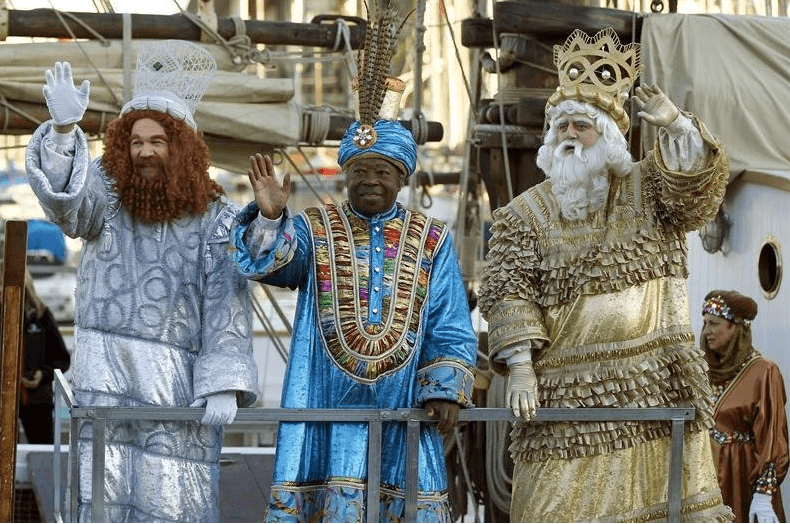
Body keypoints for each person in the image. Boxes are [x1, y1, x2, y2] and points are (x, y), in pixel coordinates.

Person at [229, 8, 477, 519]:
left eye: (382, 171)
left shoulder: (431, 239)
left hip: (405, 411)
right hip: (323, 408)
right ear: (344, 175)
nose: (370, 180)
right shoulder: (315, 229)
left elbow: (450, 324)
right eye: (360, 170)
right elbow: (270, 265)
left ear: (402, 178)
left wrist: (446, 387)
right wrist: (272, 218)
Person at [478, 27, 734, 522]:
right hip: (563, 402)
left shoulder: (649, 191)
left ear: (610, 134)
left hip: (655, 392)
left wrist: (677, 126)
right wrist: (523, 367)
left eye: (582, 125)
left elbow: (696, 188)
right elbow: (507, 292)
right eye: (562, 127)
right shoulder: (522, 214)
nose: (570, 135)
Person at [24, 40, 258, 522]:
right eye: (135, 142)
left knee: (176, 506)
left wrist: (223, 382)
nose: (145, 152)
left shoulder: (216, 219)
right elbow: (66, 207)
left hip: (176, 397)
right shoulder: (106, 200)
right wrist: (66, 130)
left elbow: (227, 302)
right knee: (103, 501)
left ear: (182, 148)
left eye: (157, 141)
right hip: (105, 387)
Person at [702, 290, 789, 523]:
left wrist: (764, 493)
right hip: (704, 479)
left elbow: (772, 436)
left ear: (736, 328)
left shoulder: (764, 372)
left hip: (740, 478)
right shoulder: (703, 372)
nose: (707, 331)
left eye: (714, 323)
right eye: (705, 323)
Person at [18, 267, 71, 444]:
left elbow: (62, 358)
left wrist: (43, 374)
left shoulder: (42, 316)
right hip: (6, 399)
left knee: (43, 456)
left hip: (37, 401)